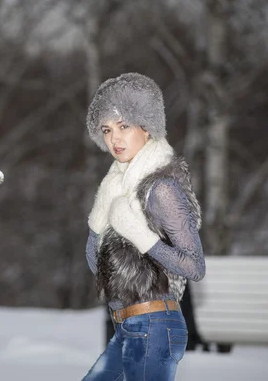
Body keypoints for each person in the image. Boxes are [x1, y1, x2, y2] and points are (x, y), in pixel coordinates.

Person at [83, 73, 206, 381]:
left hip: (155, 326)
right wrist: (100, 218)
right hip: (127, 327)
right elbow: (97, 266)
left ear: (147, 127)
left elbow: (195, 266)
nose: (115, 139)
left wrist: (139, 235)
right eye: (107, 130)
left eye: (124, 126)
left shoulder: (162, 189)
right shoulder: (116, 188)